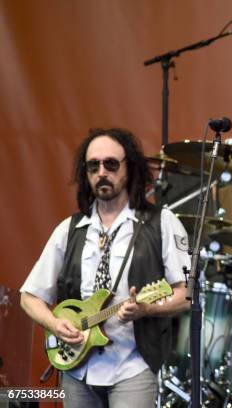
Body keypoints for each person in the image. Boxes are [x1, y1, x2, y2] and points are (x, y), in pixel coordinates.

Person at [20, 128, 191, 408]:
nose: (102, 172)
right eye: (93, 165)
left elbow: (187, 293)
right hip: (76, 369)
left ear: (129, 168)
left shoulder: (161, 223)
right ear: (85, 173)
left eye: (111, 164)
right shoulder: (70, 229)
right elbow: (29, 296)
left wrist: (148, 309)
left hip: (132, 367)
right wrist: (54, 324)